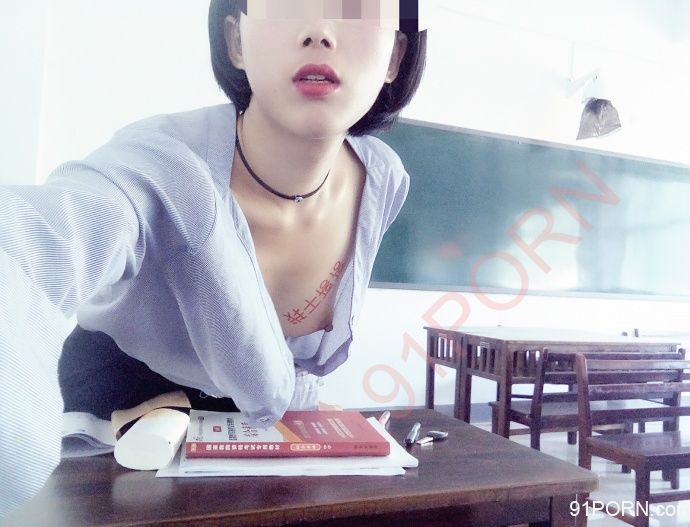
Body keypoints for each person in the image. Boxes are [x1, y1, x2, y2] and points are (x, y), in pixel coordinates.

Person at [0, 0, 426, 516]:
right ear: (236, 41)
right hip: (114, 439)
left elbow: (283, 356)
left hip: (252, 441)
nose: (318, 31)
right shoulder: (159, 160)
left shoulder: (383, 177)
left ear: (395, 55)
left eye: (355, 9)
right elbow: (43, 236)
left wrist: (299, 407)